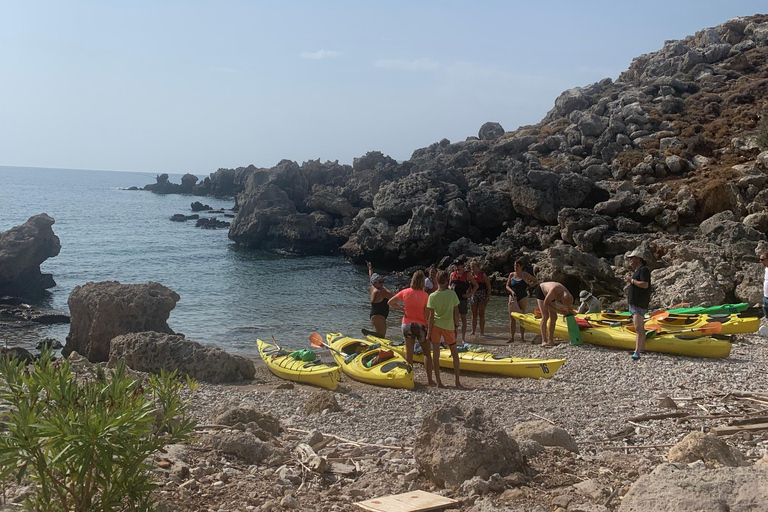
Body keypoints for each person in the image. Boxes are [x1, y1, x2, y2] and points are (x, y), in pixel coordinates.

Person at [388, 270, 436, 386]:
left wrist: (401, 308)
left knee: (409, 353)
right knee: (426, 353)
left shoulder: (405, 292)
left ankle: (410, 378)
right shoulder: (425, 296)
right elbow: (427, 314)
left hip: (406, 324)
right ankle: (429, 379)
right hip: (420, 325)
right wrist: (430, 328)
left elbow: (390, 302)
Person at [426, 271, 463, 388]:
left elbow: (431, 317)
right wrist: (456, 325)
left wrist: (428, 331)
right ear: (447, 281)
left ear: (436, 281)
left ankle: (439, 382)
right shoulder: (452, 294)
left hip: (436, 325)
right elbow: (456, 311)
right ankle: (457, 381)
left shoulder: (432, 296)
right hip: (448, 325)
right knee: (454, 354)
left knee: (436, 354)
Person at [532, 281, 575, 347]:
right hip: (541, 291)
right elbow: (546, 304)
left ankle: (550, 340)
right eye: (563, 303)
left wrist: (570, 316)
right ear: (561, 298)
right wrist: (558, 311)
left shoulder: (568, 296)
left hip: (550, 296)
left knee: (554, 317)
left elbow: (570, 308)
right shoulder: (554, 291)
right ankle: (544, 341)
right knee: (545, 316)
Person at [626, 249, 651, 360]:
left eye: (631, 258)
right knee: (639, 327)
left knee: (638, 328)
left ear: (637, 258)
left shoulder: (644, 270)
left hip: (639, 303)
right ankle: (641, 348)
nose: (630, 260)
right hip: (635, 303)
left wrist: (631, 281)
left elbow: (645, 284)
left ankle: (637, 352)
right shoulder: (638, 270)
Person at [506, 258, 539, 343]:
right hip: (513, 297)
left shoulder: (525, 275)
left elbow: (536, 281)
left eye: (517, 266)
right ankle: (512, 337)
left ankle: (522, 337)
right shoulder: (511, 275)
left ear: (521, 266)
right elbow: (507, 286)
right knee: (512, 317)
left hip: (523, 297)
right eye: (514, 266)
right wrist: (511, 291)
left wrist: (529, 286)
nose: (515, 267)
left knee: (522, 317)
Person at [449, 257, 478, 344]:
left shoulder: (467, 275)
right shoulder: (452, 274)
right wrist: (450, 288)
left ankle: (463, 338)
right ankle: (454, 337)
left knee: (463, 319)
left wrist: (469, 294)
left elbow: (476, 285)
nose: (456, 267)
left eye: (458, 265)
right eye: (455, 265)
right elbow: (449, 285)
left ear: (462, 266)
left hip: (462, 299)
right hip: (453, 299)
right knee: (454, 319)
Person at [367, 261, 393, 337]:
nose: (382, 283)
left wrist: (370, 268)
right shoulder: (380, 291)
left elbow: (370, 277)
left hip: (375, 316)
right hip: (378, 317)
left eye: (382, 281)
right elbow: (393, 296)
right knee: (381, 336)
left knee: (379, 335)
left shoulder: (373, 286)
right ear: (375, 282)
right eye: (380, 282)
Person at [468, 259, 491, 336]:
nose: (472, 269)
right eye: (471, 267)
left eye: (474, 267)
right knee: (473, 314)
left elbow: (489, 287)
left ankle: (481, 332)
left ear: (478, 267)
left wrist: (488, 298)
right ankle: (473, 331)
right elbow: (468, 287)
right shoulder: (470, 276)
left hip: (482, 295)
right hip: (473, 295)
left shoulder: (483, 276)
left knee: (481, 314)